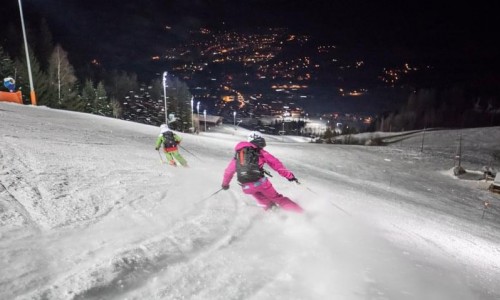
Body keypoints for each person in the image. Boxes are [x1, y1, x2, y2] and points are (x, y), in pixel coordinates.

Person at [221, 131, 303, 213]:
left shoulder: (239, 155)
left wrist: (225, 184)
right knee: (277, 198)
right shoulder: (259, 152)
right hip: (261, 183)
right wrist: (289, 176)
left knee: (265, 202)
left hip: (247, 187)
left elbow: (229, 171)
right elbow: (276, 164)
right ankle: (300, 213)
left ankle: (279, 217)